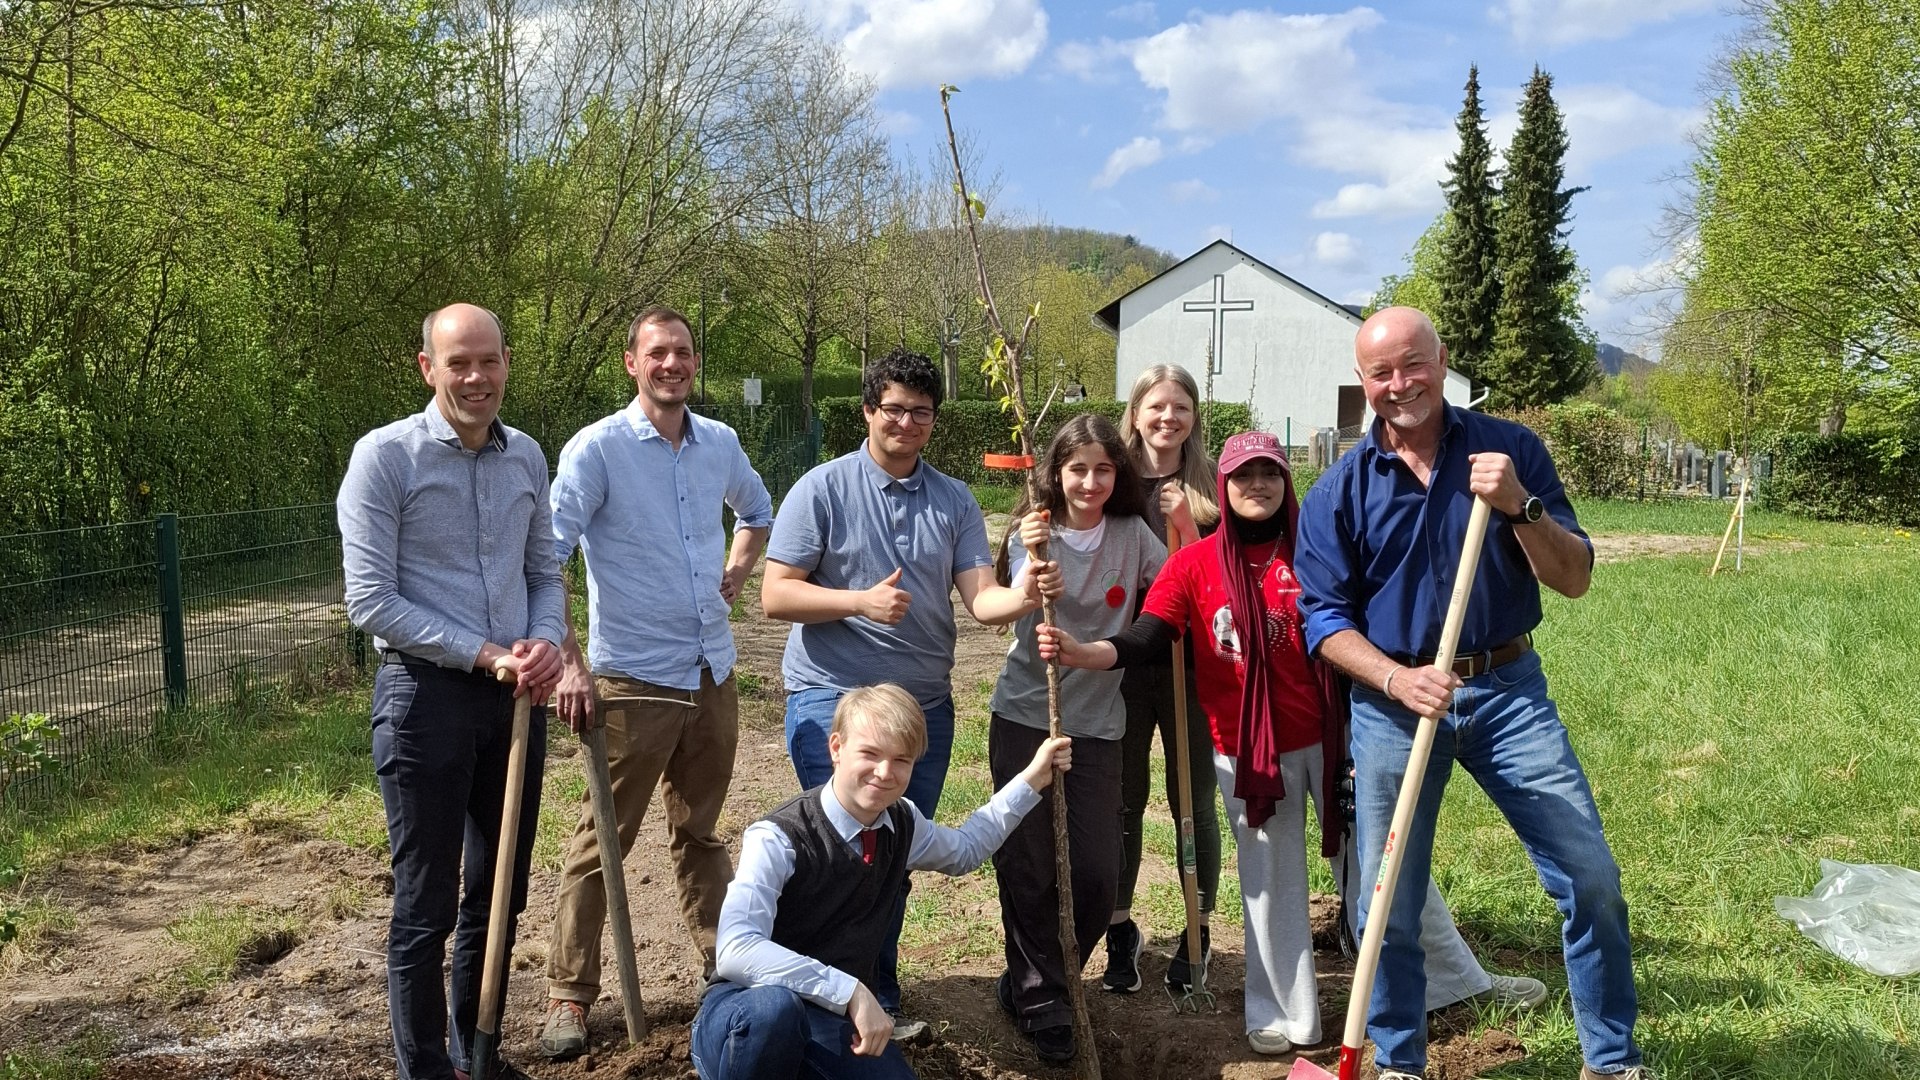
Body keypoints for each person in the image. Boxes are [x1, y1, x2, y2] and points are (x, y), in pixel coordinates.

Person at [1039, 430, 1547, 1057]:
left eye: (1270, 473)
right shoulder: (1194, 564)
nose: (1258, 485)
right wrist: (1084, 652)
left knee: (1384, 864)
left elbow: (1367, 621)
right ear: (1223, 485)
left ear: (1286, 481)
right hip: (1248, 753)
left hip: (1336, 738)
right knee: (1269, 880)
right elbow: (1148, 636)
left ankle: (1452, 983)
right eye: (1243, 475)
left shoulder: (1318, 548)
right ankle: (1284, 1014)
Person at [1295, 307, 1648, 1080]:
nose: (1400, 384)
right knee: (1386, 900)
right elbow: (1323, 622)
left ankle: (1612, 1062)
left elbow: (1575, 577)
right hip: (1393, 705)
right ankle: (1398, 1063)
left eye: (1413, 364)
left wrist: (1522, 506)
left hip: (1507, 692)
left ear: (1442, 359)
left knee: (1589, 875)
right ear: (1362, 381)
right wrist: (1396, 678)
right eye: (1381, 373)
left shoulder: (1509, 451)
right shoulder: (1338, 492)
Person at [760, 347, 1051, 1034]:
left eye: (921, 412)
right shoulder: (822, 489)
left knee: (891, 854)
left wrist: (1028, 592)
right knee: (840, 850)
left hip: (923, 708)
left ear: (933, 420)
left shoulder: (953, 500)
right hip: (832, 696)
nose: (906, 423)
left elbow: (982, 601)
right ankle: (823, 996)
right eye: (894, 409)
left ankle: (878, 995)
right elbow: (775, 595)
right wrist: (858, 601)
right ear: (869, 411)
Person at [536, 306, 774, 1058]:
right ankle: (569, 995)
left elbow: (757, 510)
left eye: (683, 352)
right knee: (603, 839)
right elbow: (546, 558)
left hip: (711, 671)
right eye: (658, 352)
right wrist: (569, 662)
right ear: (632, 363)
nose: (672, 364)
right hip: (632, 679)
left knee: (700, 829)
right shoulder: (598, 449)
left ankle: (721, 961)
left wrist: (737, 569)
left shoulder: (719, 443)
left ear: (694, 362)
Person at [338, 302, 567, 1080]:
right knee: (426, 902)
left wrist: (543, 642)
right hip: (424, 701)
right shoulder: (385, 459)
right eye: (458, 363)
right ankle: (427, 1069)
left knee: (499, 893)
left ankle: (479, 1053)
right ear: (427, 368)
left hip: (515, 703)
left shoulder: (526, 457)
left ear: (507, 363)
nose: (475, 378)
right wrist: (484, 653)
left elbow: (544, 572)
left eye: (488, 361)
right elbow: (371, 601)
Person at [690, 684, 1074, 1080]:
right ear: (836, 748)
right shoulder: (778, 837)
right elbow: (735, 950)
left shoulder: (901, 822)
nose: (885, 772)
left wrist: (1032, 779)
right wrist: (850, 991)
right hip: (744, 1015)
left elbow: (965, 850)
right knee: (774, 1011)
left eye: (901, 760)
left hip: (826, 1018)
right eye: (870, 754)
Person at [988, 414, 1165, 1063]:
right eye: (1077, 469)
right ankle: (1042, 1001)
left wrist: (1182, 530)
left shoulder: (1134, 535)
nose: (1090, 482)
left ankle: (1047, 980)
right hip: (1026, 714)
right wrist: (1033, 576)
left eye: (1103, 469)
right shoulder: (1034, 532)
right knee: (1029, 865)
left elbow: (1170, 594)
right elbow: (1007, 602)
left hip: (1097, 726)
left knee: (1095, 874)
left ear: (1118, 474)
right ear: (1056, 473)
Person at [1106, 363, 1223, 996]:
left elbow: (1224, 576)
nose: (1167, 417)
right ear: (1136, 413)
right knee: (1123, 797)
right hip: (1122, 666)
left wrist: (1189, 525)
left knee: (1192, 799)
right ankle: (1119, 929)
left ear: (1194, 416)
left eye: (1180, 406)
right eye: (1156, 406)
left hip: (1191, 668)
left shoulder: (1213, 485)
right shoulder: (1111, 480)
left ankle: (1196, 933)